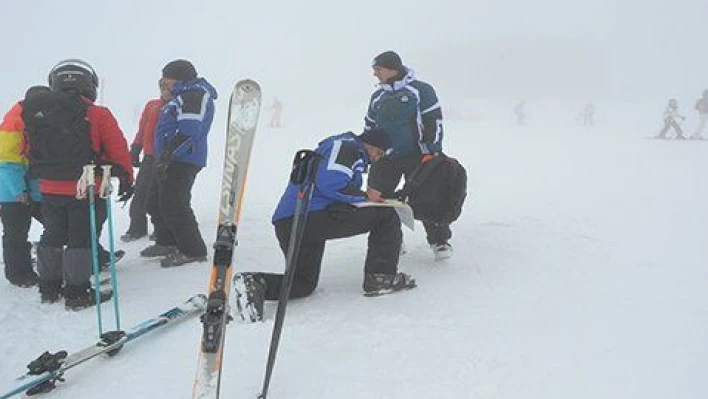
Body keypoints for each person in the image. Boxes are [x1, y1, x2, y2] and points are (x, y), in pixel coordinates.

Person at [233, 129, 416, 321]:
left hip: (291, 221)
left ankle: (253, 284)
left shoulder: (338, 147)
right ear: (369, 144)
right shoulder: (348, 148)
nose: (377, 159)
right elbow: (332, 183)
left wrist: (357, 196)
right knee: (386, 215)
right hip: (308, 216)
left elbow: (327, 183)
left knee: (302, 283)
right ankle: (381, 277)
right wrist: (364, 196)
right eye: (378, 153)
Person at [23, 59, 134, 310]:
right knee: (80, 238)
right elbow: (117, 148)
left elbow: (27, 149)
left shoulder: (39, 112)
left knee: (51, 233)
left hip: (49, 187)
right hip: (87, 188)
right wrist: (127, 176)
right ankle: (77, 291)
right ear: (89, 85)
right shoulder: (97, 114)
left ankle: (49, 287)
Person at [362, 50, 453, 260]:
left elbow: (434, 121)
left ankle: (439, 241)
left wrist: (432, 150)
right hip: (386, 158)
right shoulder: (378, 96)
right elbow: (370, 126)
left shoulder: (421, 90)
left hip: (418, 155)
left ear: (391, 68)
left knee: (429, 196)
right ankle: (392, 240)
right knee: (380, 199)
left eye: (377, 69)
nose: (374, 74)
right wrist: (368, 152)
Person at [140, 59, 217, 267]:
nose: (163, 87)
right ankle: (166, 241)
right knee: (154, 202)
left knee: (175, 205)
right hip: (170, 158)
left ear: (180, 79)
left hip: (183, 159)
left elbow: (189, 131)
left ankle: (193, 250)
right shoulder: (180, 96)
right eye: (161, 83)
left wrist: (168, 155)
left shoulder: (193, 95)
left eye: (167, 83)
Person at [0, 86, 48, 288]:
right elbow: (7, 162)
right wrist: (19, 192)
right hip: (10, 190)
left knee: (55, 221)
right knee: (16, 232)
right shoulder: (14, 122)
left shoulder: (38, 118)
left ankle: (49, 261)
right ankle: (18, 273)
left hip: (30, 183)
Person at [120, 80, 171, 242]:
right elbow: (142, 129)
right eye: (162, 88)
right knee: (141, 192)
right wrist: (135, 148)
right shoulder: (152, 105)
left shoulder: (177, 106)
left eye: (168, 88)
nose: (164, 91)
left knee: (161, 195)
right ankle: (136, 228)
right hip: (149, 156)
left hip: (167, 158)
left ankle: (161, 229)